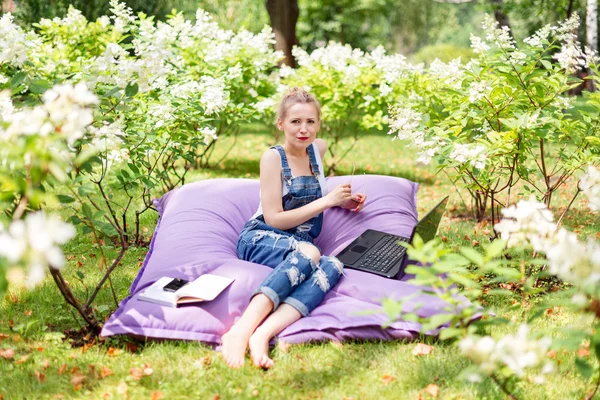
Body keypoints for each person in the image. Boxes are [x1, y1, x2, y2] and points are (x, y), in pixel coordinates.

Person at [221, 87, 367, 369]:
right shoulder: (273, 158)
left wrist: (343, 202)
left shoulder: (317, 150)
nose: (304, 129)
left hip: (300, 246)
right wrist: (327, 201)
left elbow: (313, 197)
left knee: (334, 265)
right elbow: (275, 218)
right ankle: (240, 330)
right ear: (281, 124)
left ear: (318, 124)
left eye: (310, 122)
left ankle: (263, 334)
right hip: (262, 236)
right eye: (295, 122)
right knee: (311, 251)